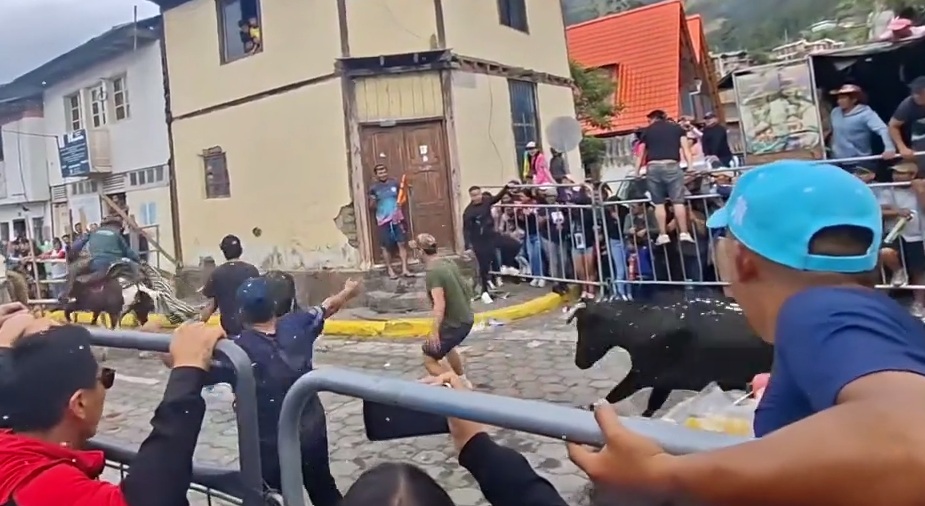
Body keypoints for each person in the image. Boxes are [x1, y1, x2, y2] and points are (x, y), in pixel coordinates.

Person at [567, 160, 925, 506]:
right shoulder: (871, 314)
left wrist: (663, 475)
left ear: (742, 261)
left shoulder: (818, 310)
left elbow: (911, 440)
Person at [0, 318, 225, 506]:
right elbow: (149, 498)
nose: (107, 385)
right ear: (79, 403)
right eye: (105, 377)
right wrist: (188, 370)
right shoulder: (48, 487)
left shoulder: (9, 446)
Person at [204, 275, 361, 506]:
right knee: (324, 489)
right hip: (311, 429)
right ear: (274, 306)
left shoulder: (236, 351)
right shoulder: (298, 324)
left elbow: (184, 361)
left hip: (269, 442)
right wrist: (348, 291)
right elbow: (328, 306)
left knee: (273, 497)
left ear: (241, 313)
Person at [413, 233, 474, 383]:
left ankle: (456, 384)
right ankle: (462, 378)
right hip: (466, 318)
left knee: (428, 356)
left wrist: (434, 331)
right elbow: (466, 288)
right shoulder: (448, 262)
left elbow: (439, 304)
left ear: (421, 252)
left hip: (455, 323)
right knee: (447, 347)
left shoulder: (433, 272)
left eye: (416, 250)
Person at [636, 109, 695, 246]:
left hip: (654, 167)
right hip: (672, 165)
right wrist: (690, 166)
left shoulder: (647, 131)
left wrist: (637, 171)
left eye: (649, 120)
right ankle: (684, 233)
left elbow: (641, 154)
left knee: (659, 203)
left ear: (654, 119)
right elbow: (686, 149)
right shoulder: (677, 129)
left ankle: (663, 234)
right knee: (678, 201)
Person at [59, 216, 140, 303]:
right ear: (117, 226)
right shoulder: (117, 234)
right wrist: (138, 260)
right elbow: (128, 252)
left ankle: (67, 294)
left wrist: (73, 252)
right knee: (135, 273)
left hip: (93, 261)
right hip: (113, 264)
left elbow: (76, 246)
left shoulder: (94, 232)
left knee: (73, 268)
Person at [200, 234, 259, 335]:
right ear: (240, 250)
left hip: (229, 331)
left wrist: (196, 324)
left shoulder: (217, 273)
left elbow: (211, 306)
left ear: (224, 252)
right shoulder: (252, 271)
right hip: (251, 332)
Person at [463, 184, 511, 304]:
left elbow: (496, 198)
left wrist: (506, 188)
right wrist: (468, 246)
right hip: (478, 240)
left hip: (489, 236)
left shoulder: (486, 201)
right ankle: (483, 289)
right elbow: (466, 229)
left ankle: (497, 277)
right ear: (471, 196)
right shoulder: (468, 212)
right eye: (474, 195)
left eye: (478, 194)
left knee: (494, 257)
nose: (477, 197)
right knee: (483, 265)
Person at [829, 84, 895, 166]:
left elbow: (883, 129)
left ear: (854, 99)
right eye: (839, 98)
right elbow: (831, 132)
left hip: (859, 161)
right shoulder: (835, 112)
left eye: (843, 98)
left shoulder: (866, 114)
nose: (839, 101)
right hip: (837, 160)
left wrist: (889, 147)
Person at [368, 164, 412, 279]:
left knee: (401, 243)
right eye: (379, 172)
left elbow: (402, 197)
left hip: (397, 218)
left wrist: (400, 203)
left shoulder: (395, 184)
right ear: (376, 175)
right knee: (385, 247)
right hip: (383, 220)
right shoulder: (374, 188)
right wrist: (373, 201)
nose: (382, 174)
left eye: (383, 171)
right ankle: (390, 270)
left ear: (387, 172)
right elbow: (371, 206)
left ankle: (405, 269)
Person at [889, 75, 925, 175]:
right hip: (920, 141)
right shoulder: (908, 104)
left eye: (919, 93)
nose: (916, 96)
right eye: (914, 93)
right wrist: (902, 147)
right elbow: (893, 126)